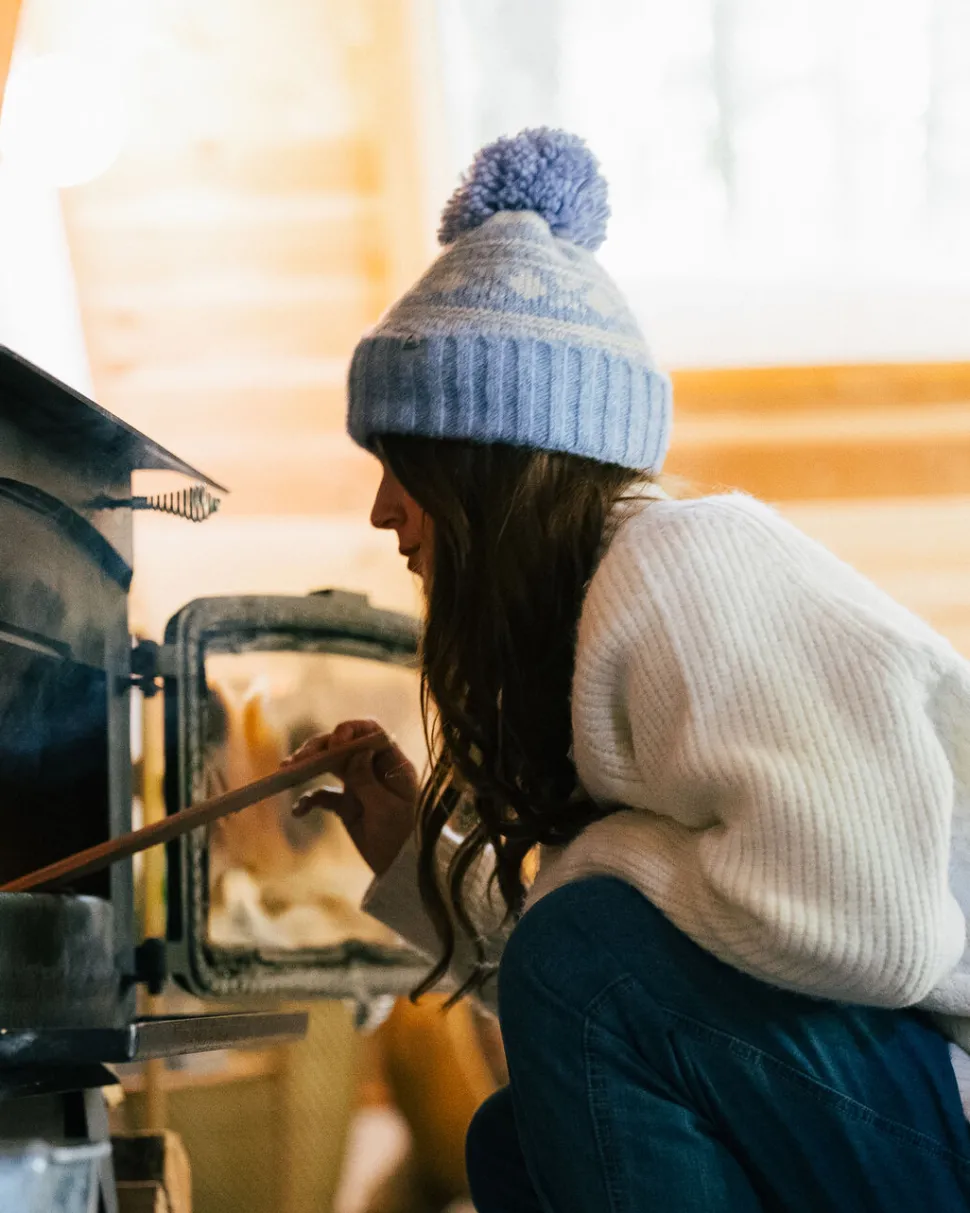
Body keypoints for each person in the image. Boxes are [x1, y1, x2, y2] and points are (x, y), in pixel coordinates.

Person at [283, 128, 970, 1210]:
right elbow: (650, 999)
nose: (383, 514)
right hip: (900, 1099)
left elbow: (870, 933)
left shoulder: (685, 563)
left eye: (403, 468)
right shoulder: (604, 606)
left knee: (580, 950)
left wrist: (598, 863)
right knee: (516, 1140)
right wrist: (422, 860)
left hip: (947, 1095)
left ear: (484, 468)